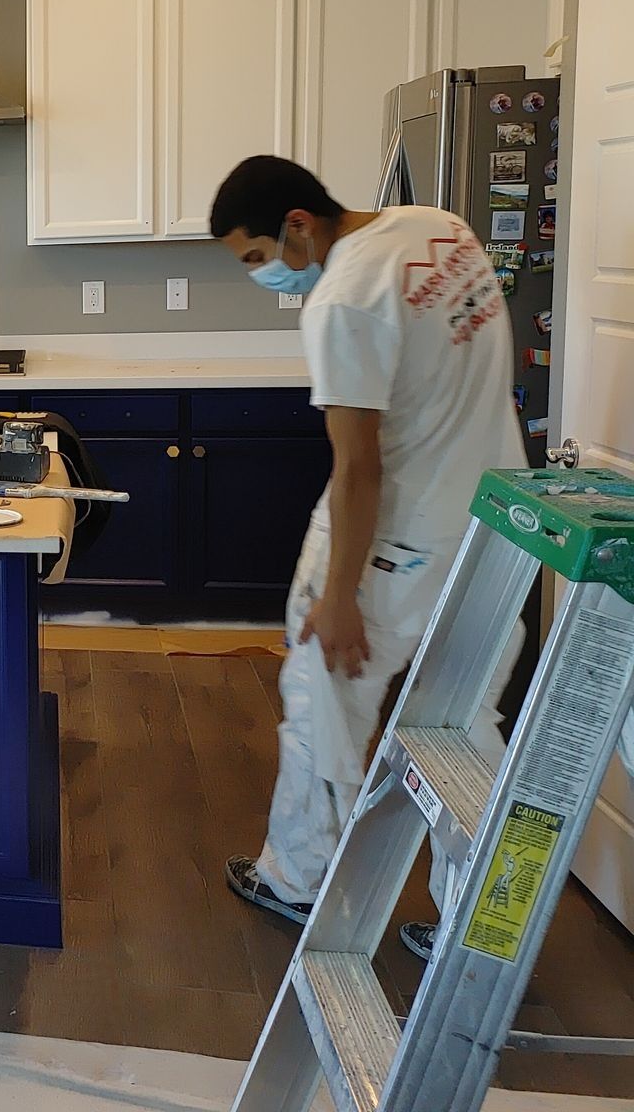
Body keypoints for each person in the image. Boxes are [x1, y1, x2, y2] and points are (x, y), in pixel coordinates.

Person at [210, 155, 523, 961]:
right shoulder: (437, 229)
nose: (263, 275)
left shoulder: (343, 301)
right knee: (465, 729)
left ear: (298, 225)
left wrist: (341, 594)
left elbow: (359, 468)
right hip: (494, 530)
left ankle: (301, 880)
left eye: (256, 257)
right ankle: (478, 928)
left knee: (325, 711)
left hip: (397, 546)